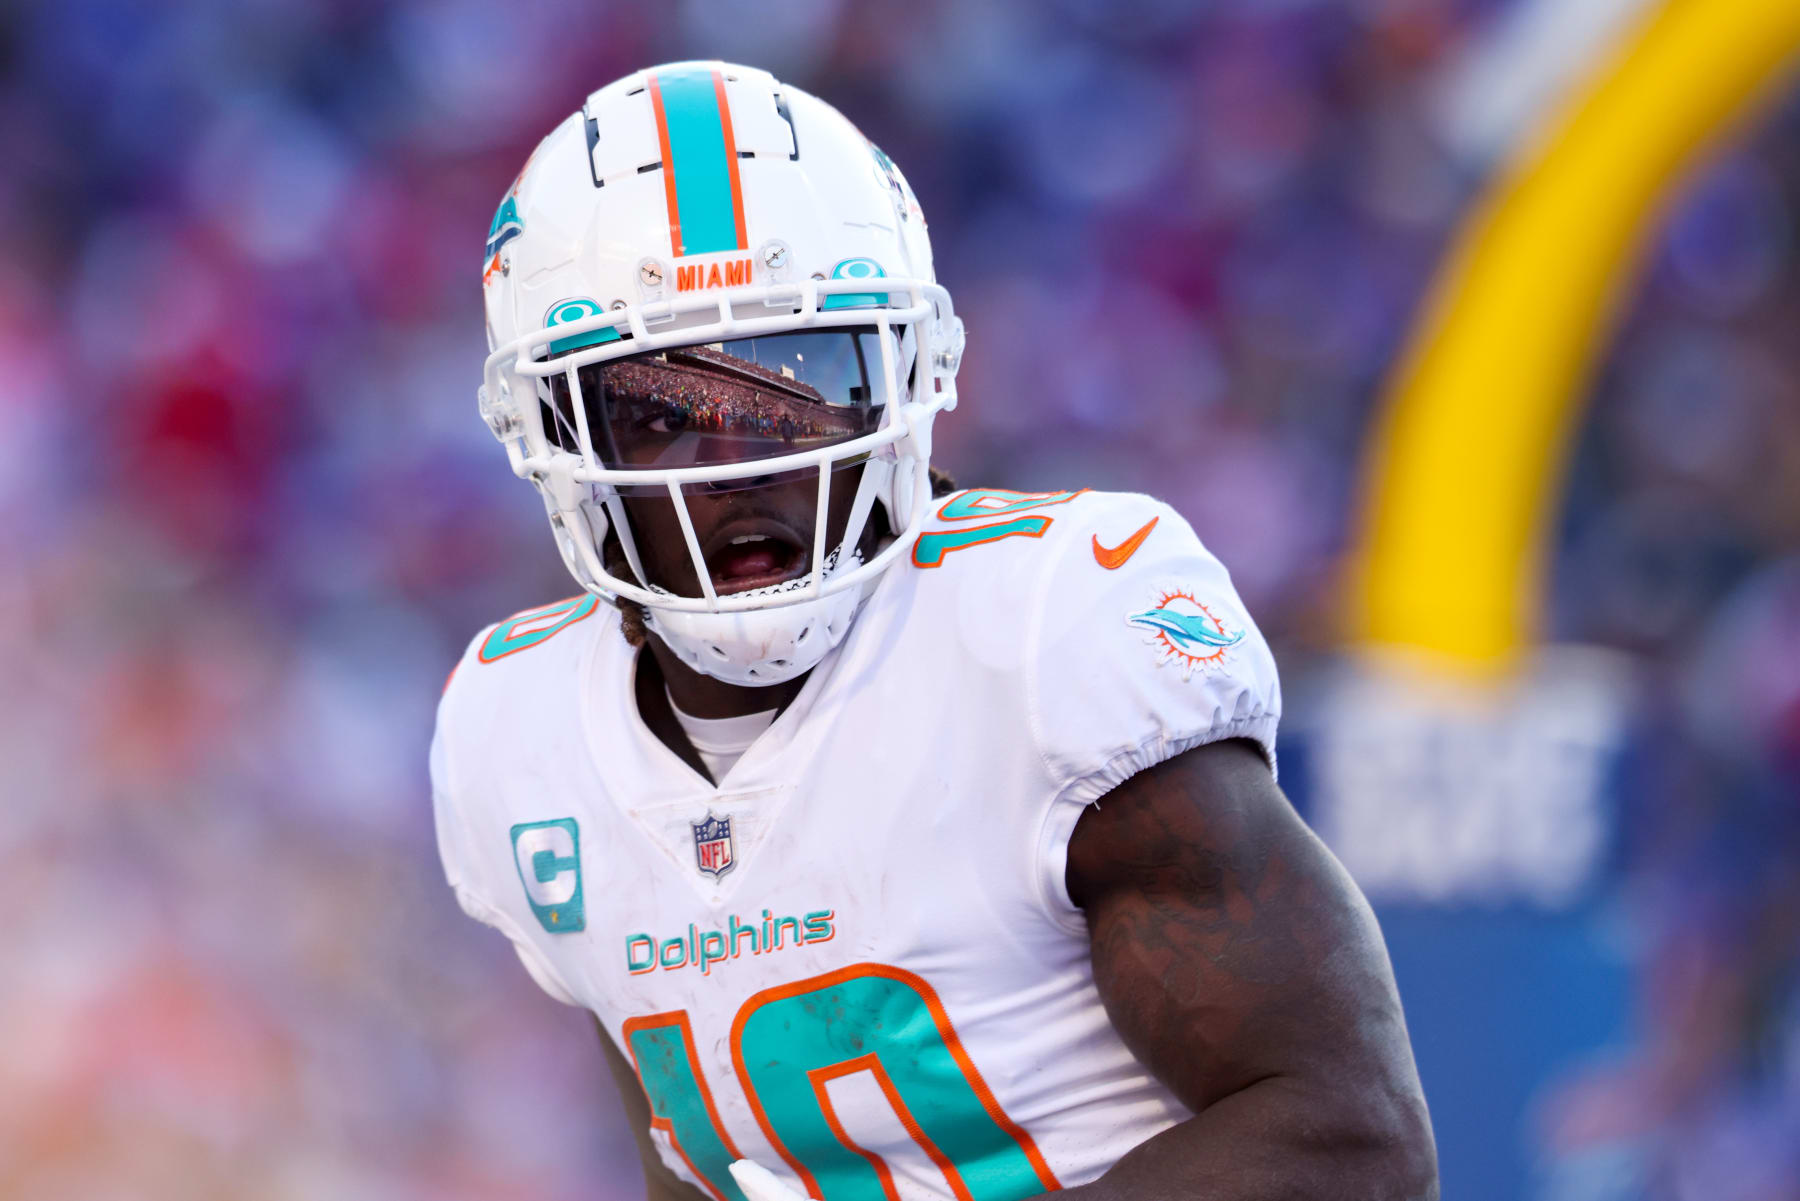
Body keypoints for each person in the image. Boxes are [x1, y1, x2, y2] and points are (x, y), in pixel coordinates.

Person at [432, 60, 1437, 1201]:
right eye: (660, 414)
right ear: (554, 435)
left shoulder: (1048, 631)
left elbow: (1346, 1136)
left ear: (905, 375)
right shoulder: (515, 738)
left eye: (793, 382)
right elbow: (701, 1169)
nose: (740, 459)